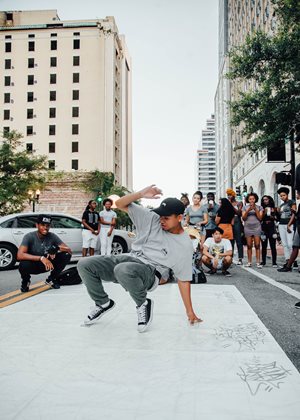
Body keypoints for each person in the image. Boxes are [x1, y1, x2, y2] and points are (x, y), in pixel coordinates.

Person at [77, 185, 202, 332]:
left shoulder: (183, 245)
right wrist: (141, 194)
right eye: (160, 216)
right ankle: (103, 303)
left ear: (179, 218)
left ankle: (143, 304)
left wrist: (190, 311)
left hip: (151, 271)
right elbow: (120, 204)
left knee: (123, 269)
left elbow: (184, 280)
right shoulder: (151, 218)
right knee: (85, 264)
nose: (161, 221)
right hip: (129, 258)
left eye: (166, 218)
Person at [17, 214, 72, 292]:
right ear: (37, 225)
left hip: (47, 265)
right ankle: (26, 281)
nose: (45, 228)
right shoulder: (29, 236)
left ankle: (51, 279)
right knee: (23, 264)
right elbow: (20, 255)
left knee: (66, 255)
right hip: (33, 265)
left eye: (48, 225)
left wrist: (56, 249)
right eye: (42, 225)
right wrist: (41, 258)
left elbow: (69, 250)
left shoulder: (52, 236)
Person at [278, 190, 300, 272]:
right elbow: (280, 215)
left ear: (287, 195)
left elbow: (294, 214)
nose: (282, 197)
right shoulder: (282, 205)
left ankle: (294, 261)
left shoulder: (292, 202)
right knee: (284, 244)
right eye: (281, 196)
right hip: (281, 224)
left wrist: (289, 224)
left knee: (291, 243)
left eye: (283, 195)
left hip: (289, 224)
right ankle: (287, 261)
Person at [242, 193, 264, 268]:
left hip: (257, 227)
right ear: (248, 200)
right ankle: (249, 262)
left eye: (253, 199)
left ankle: (258, 262)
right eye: (250, 199)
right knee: (249, 245)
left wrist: (255, 209)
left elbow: (260, 218)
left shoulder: (260, 207)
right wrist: (248, 210)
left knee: (257, 245)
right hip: (248, 227)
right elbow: (243, 218)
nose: (251, 200)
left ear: (255, 199)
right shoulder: (245, 207)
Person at [226, 188, 244, 265]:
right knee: (230, 241)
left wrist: (230, 205)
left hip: (237, 222)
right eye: (228, 195)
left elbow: (239, 213)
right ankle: (231, 258)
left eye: (230, 195)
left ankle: (240, 258)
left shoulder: (239, 203)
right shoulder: (227, 203)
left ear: (233, 195)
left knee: (239, 241)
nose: (229, 196)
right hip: (229, 222)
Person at [260, 195, 278, 267]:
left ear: (269, 200)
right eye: (264, 200)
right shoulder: (261, 208)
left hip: (271, 227)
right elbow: (260, 219)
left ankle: (274, 262)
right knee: (264, 245)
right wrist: (264, 212)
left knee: (273, 245)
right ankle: (263, 262)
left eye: (266, 199)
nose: (265, 201)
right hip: (264, 227)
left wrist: (273, 216)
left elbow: (277, 218)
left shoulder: (274, 208)